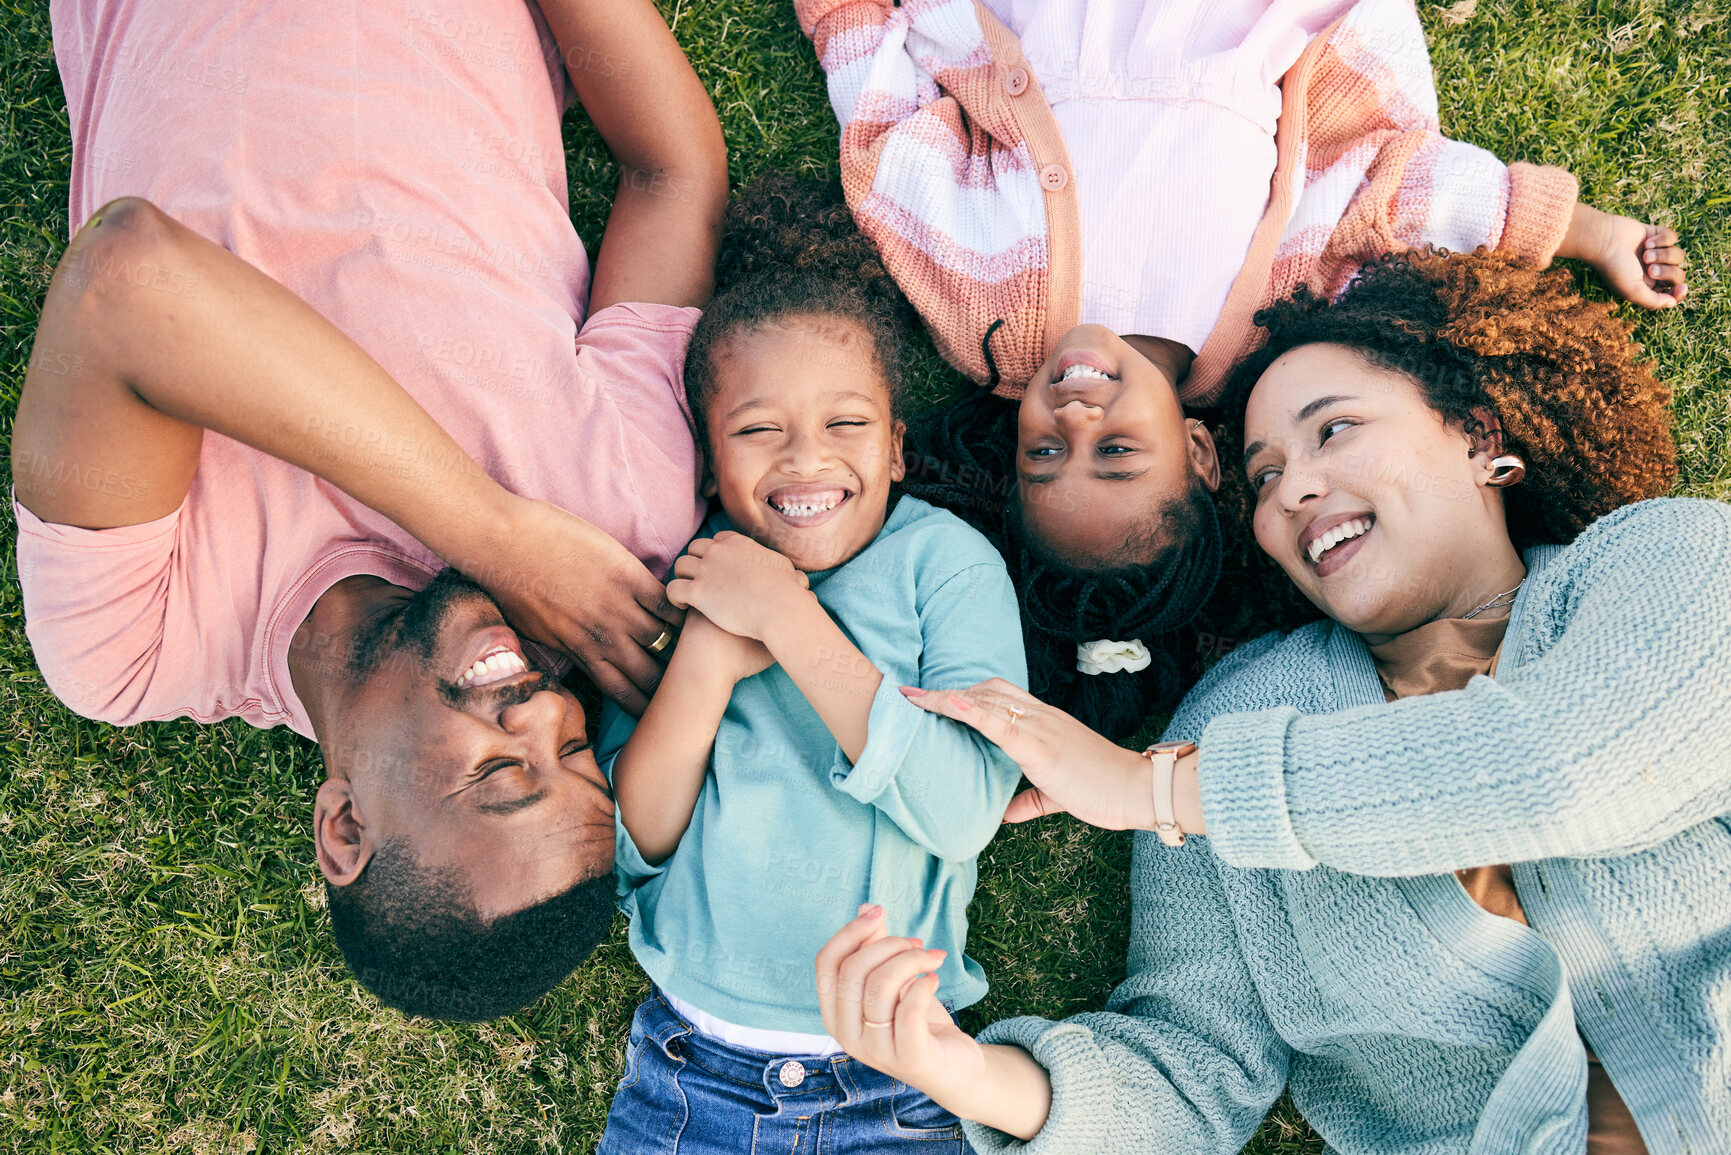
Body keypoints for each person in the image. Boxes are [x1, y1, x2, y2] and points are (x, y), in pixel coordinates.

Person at [815, 250, 1730, 1153]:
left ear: (1477, 436)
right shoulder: (1231, 721)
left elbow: (1563, 769)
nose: (1291, 488)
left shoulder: (1669, 561)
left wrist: (1156, 794)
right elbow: (1190, 1063)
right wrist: (976, 1077)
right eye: (1260, 475)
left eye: (1332, 431)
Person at [14, 0, 727, 1019]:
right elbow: (674, 176)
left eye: (497, 772)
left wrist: (492, 534)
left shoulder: (137, 645)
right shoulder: (609, 526)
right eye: (572, 753)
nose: (545, 710)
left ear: (343, 826)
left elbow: (126, 279)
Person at [796, 0, 1689, 739]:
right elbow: (1394, 196)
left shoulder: (976, 316)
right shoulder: (1280, 325)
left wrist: (848, 20)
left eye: (1042, 457)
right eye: (1115, 455)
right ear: (1200, 451)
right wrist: (1585, 234)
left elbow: (888, 155)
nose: (1071, 420)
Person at [593, 176, 1027, 1152]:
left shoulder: (945, 566)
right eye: (758, 430)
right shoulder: (688, 575)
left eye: (847, 424)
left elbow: (962, 813)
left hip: (900, 1077)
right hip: (686, 1077)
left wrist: (790, 623)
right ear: (708, 464)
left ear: (899, 449)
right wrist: (706, 660)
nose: (806, 458)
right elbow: (628, 840)